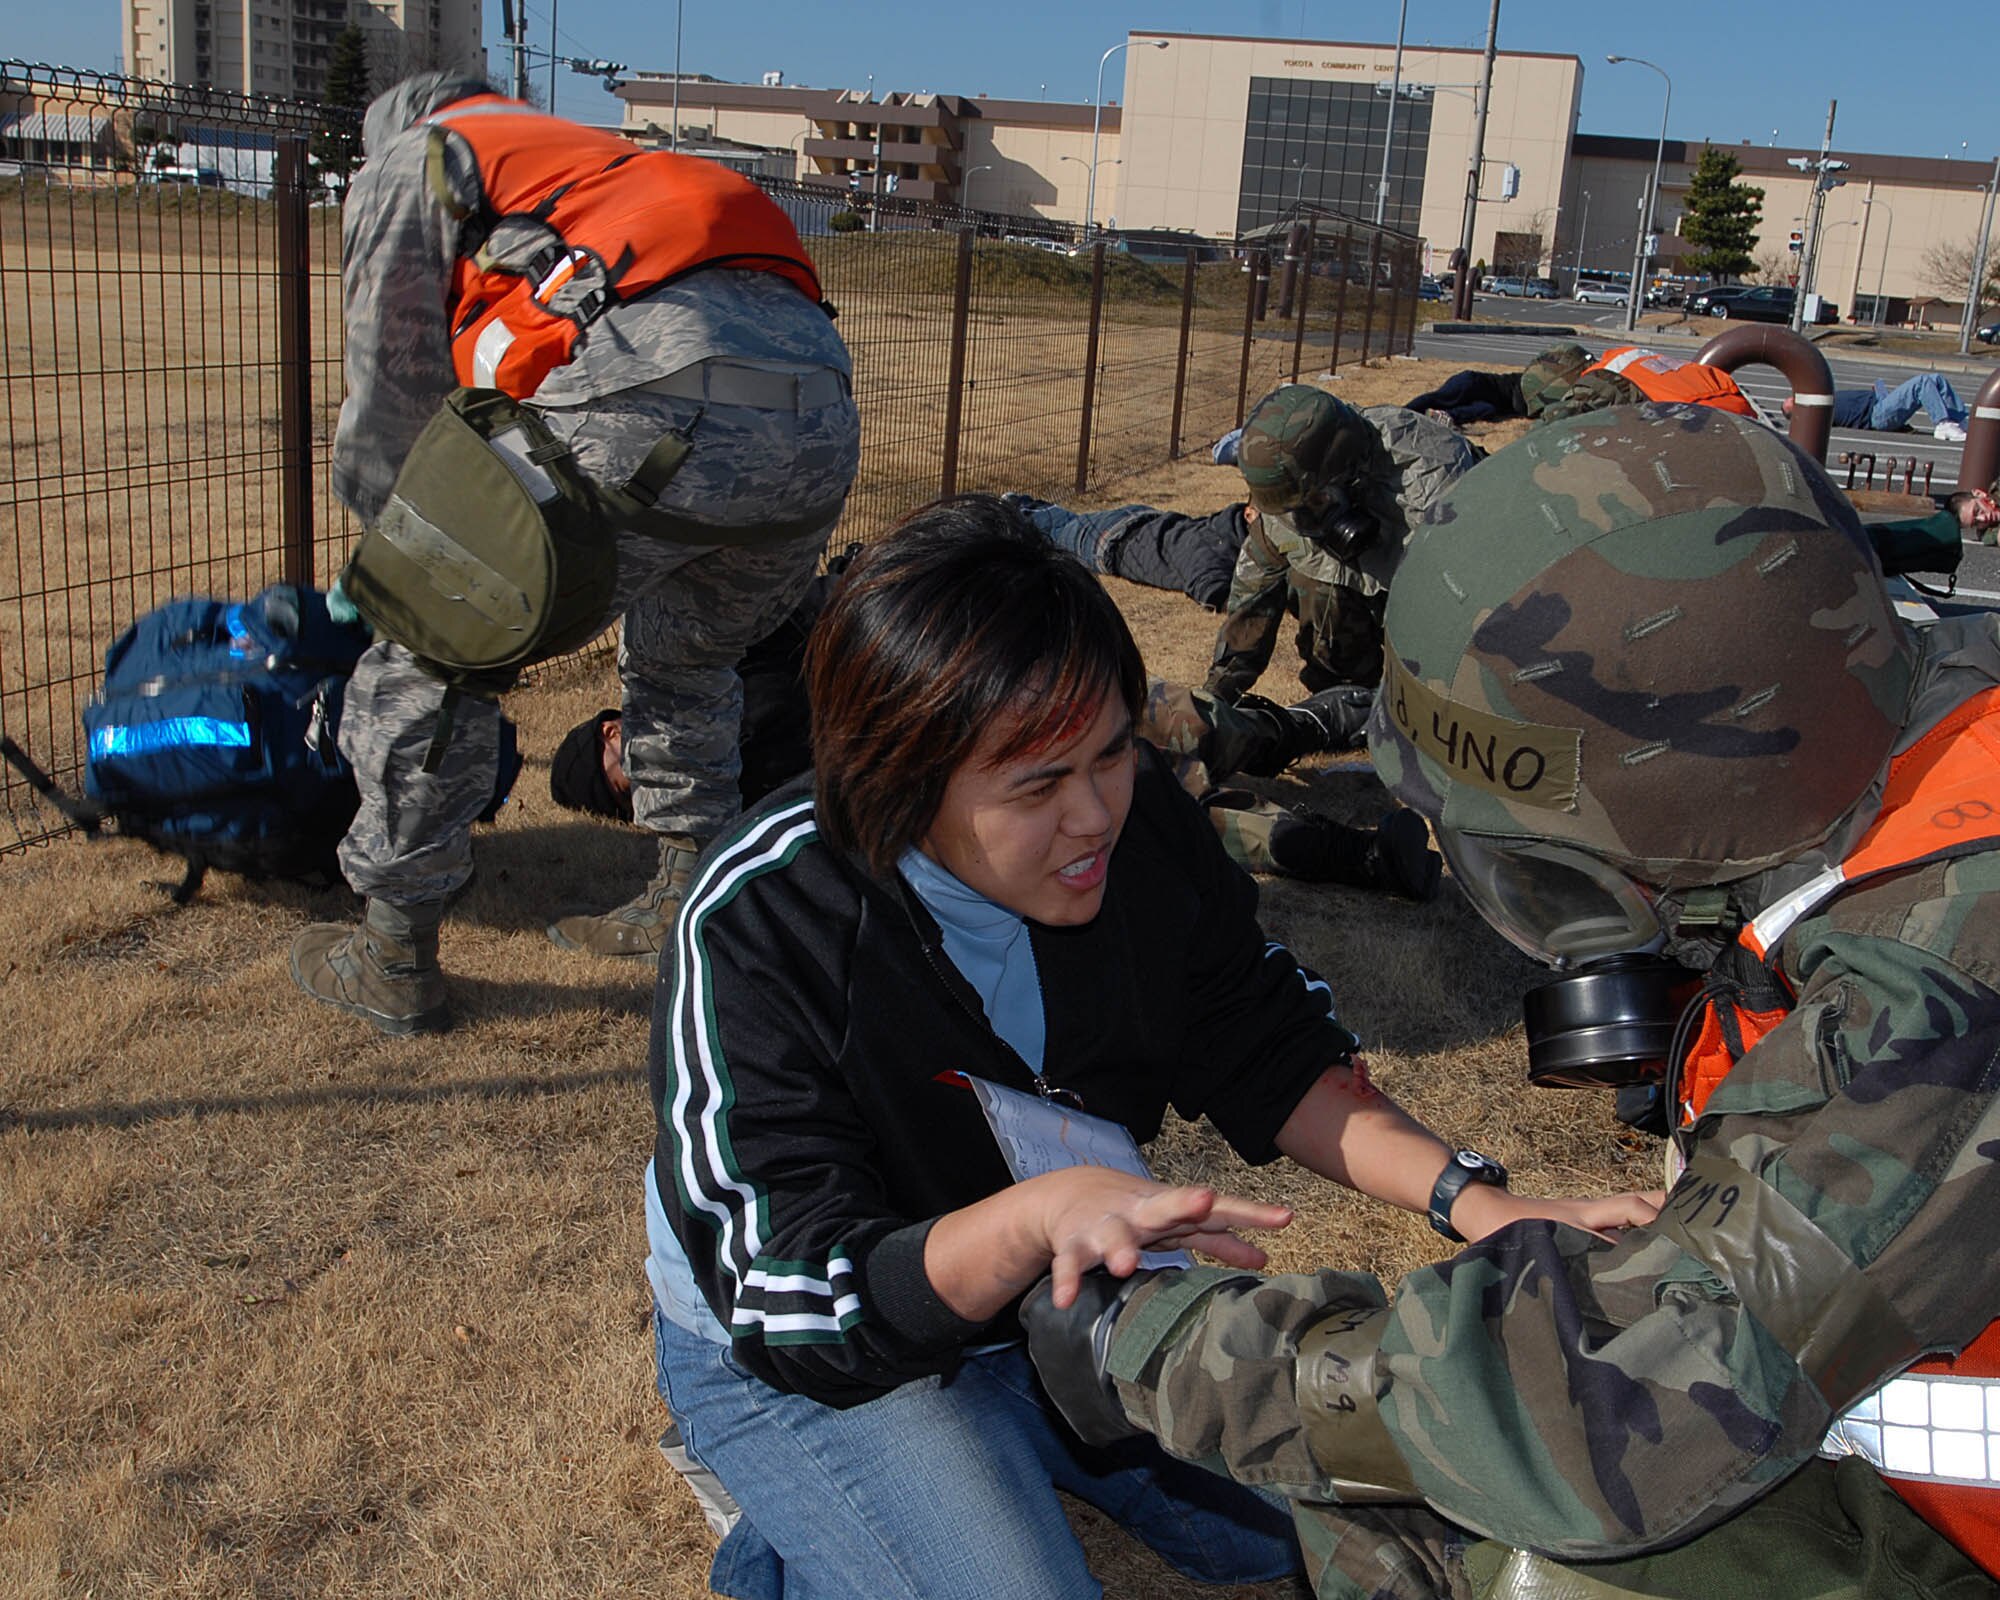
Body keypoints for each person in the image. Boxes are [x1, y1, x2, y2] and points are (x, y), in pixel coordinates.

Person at [1022, 405, 2000, 1598]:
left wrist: (1164, 1350)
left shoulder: (1941, 991)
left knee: (1496, 1542)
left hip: (1936, 1526)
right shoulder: (1914, 738)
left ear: (1694, 800)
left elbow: (1606, 1415)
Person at [643, 494, 1655, 1600]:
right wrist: (1030, 1218)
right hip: (830, 1345)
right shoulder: (762, 915)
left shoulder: (1139, 832)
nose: (1095, 815)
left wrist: (1480, 1204)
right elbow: (783, 1288)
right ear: (899, 776)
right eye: (1037, 784)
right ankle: (787, 1503)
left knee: (1347, 1514)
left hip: (1064, 1282)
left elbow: (1263, 1041)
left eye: (1111, 752)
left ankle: (985, 1452)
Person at [288, 73, 860, 1034]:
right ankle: (688, 892)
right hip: (821, 424)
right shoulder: (592, 163)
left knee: (433, 650)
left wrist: (397, 553)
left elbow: (391, 377)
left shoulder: (420, 157)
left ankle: (392, 953)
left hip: (654, 395)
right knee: (691, 654)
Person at [554, 683, 1442, 899]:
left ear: (614, 726)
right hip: (984, 783)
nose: (640, 776)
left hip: (1001, 708)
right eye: (624, 794)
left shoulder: (718, 688)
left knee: (1190, 723)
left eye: (618, 759)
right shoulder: (732, 811)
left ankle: (1334, 721)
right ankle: (1362, 856)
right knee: (1165, 819)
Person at [1207, 385, 1481, 701]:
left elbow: (1470, 599)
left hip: (1445, 602)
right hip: (1377, 598)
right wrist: (1217, 694)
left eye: (1315, 502)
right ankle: (1345, 694)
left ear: (1345, 470)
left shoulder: (1434, 481)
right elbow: (1253, 597)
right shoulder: (1288, 489)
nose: (1301, 518)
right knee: (1314, 577)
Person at [1002, 492, 1249, 609]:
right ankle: (1012, 510)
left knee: (1068, 525)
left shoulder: (1226, 526)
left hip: (1142, 520)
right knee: (1056, 536)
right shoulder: (1209, 556)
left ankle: (1026, 507)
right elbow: (1212, 591)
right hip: (1111, 542)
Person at [1400, 343, 1593, 426]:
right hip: (1476, 384)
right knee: (1442, 397)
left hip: (1493, 403)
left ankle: (1440, 416)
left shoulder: (1526, 394)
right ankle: (1402, 412)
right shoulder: (1525, 386)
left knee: (1483, 410)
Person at [1782, 373, 1971, 441]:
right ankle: (1942, 424)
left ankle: (1960, 420)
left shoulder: (1824, 398)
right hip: (1877, 415)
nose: (1797, 398)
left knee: (1936, 379)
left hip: (1880, 403)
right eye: (1794, 403)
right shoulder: (1820, 414)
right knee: (1921, 383)